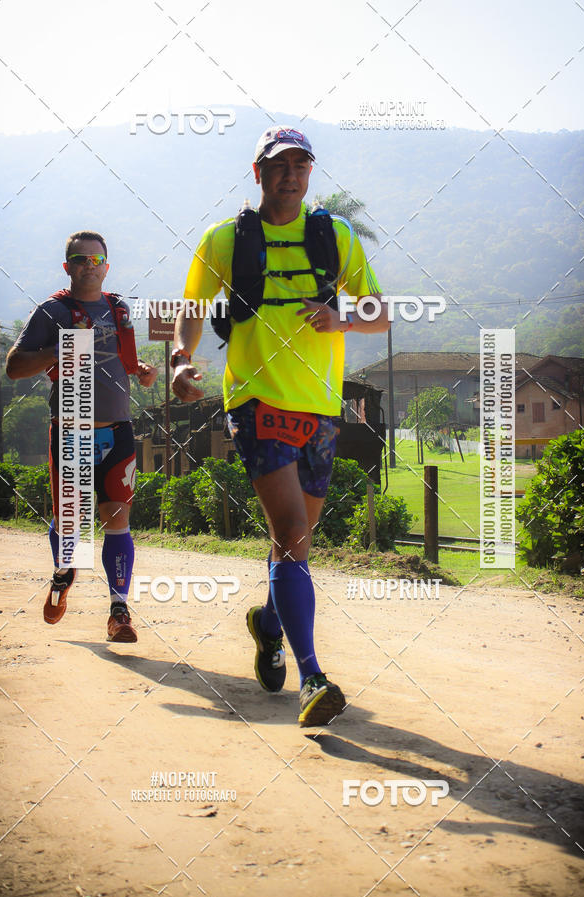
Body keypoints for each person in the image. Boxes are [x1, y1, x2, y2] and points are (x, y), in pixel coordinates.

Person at [172, 126, 388, 726]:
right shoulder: (225, 239)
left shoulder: (334, 236)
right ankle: (312, 676)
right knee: (292, 530)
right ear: (258, 170)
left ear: (310, 173)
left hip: (320, 408)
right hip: (256, 402)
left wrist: (338, 317)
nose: (290, 174)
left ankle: (267, 625)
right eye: (279, 164)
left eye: (300, 164)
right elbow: (191, 310)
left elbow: (379, 313)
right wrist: (180, 360)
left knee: (293, 543)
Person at [6, 231, 157, 642]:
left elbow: (123, 362)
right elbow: (14, 366)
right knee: (70, 527)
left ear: (107, 266)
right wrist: (58, 350)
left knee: (117, 519)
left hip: (118, 430)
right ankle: (63, 574)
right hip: (71, 431)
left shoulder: (119, 308)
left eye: (97, 259)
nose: (89, 266)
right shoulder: (53, 310)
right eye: (80, 258)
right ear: (67, 265)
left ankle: (119, 611)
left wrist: (142, 370)